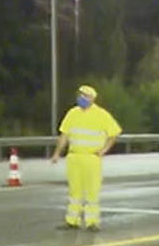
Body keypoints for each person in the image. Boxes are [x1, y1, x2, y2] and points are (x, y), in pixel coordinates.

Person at [50, 84, 122, 231]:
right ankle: (72, 220)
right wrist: (57, 153)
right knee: (74, 191)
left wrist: (104, 151)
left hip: (91, 158)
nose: (82, 98)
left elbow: (114, 133)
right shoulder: (72, 113)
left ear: (92, 99)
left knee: (92, 191)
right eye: (80, 95)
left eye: (85, 96)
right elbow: (64, 135)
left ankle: (92, 222)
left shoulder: (101, 115)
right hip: (74, 157)